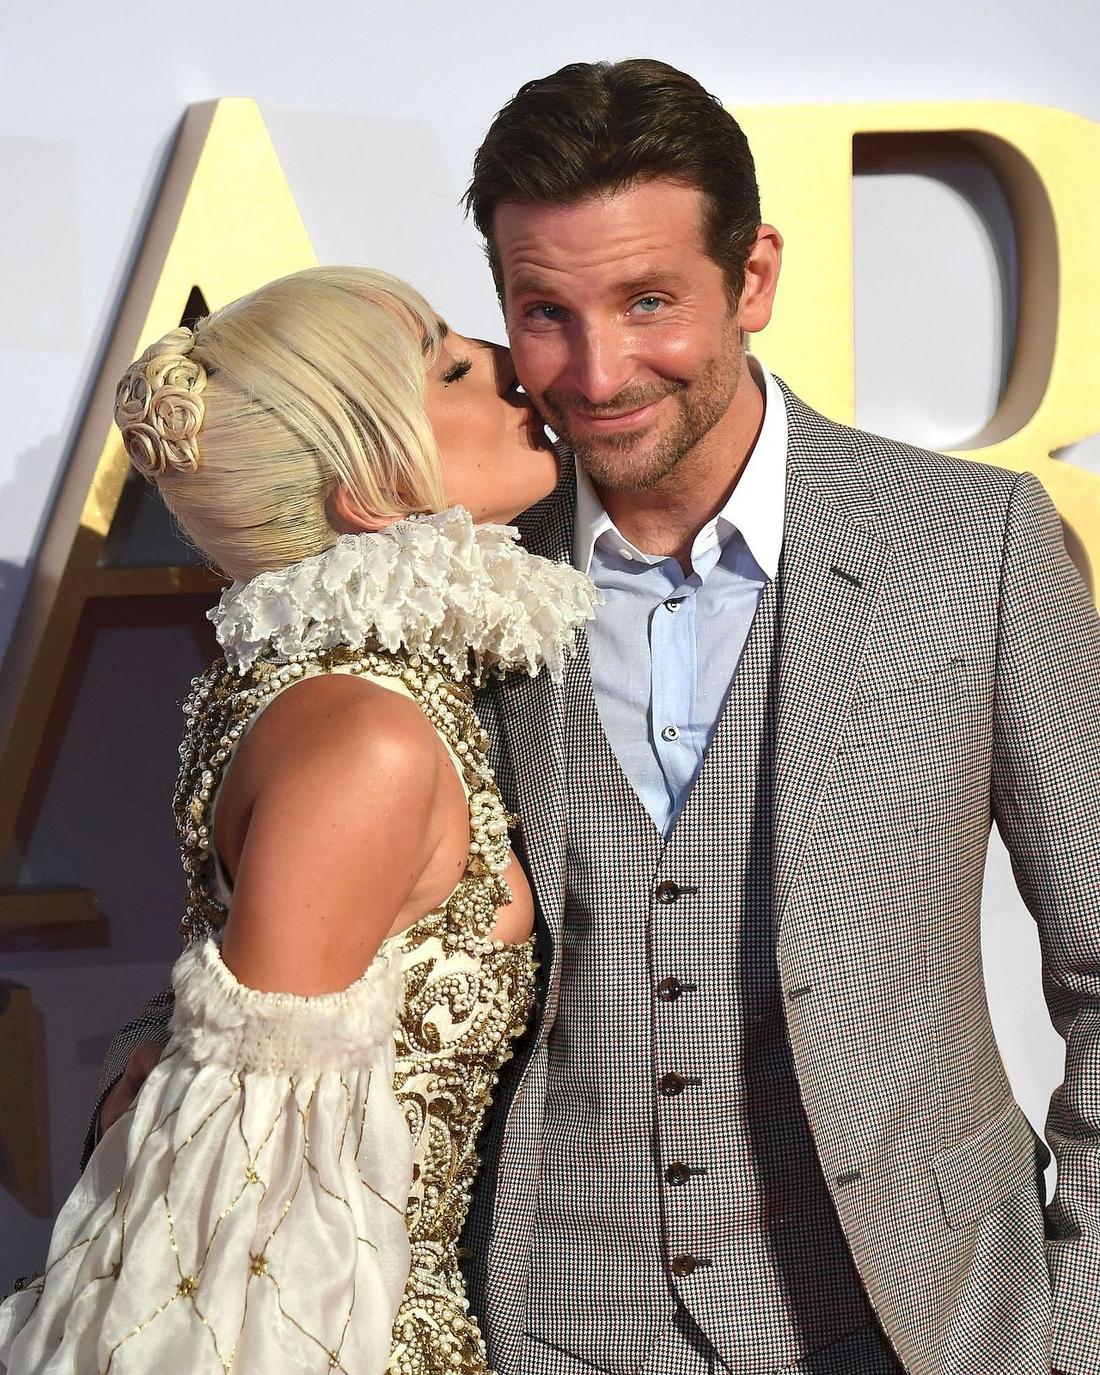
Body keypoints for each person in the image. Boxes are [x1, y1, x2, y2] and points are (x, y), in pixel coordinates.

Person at [92, 59, 1099, 1375]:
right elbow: (294, 930)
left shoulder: (971, 541)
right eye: (543, 313)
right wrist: (150, 1069)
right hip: (542, 1324)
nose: (597, 369)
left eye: (648, 301)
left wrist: (1076, 1325)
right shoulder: (435, 576)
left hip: (922, 1323)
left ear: (753, 278)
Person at [0, 266, 597, 1374]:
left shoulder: (341, 683)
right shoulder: (366, 737)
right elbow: (237, 1244)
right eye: (450, 369)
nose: (510, 363)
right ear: (369, 488)